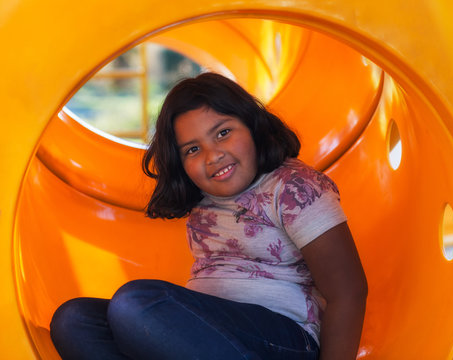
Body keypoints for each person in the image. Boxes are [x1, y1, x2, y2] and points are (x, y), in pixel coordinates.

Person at [50, 72, 368, 360]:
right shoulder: (204, 200)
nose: (212, 155)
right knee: (75, 320)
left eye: (223, 133)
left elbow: (348, 291)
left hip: (283, 339)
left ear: (254, 126)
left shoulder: (292, 187)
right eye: (192, 149)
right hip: (208, 338)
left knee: (135, 304)